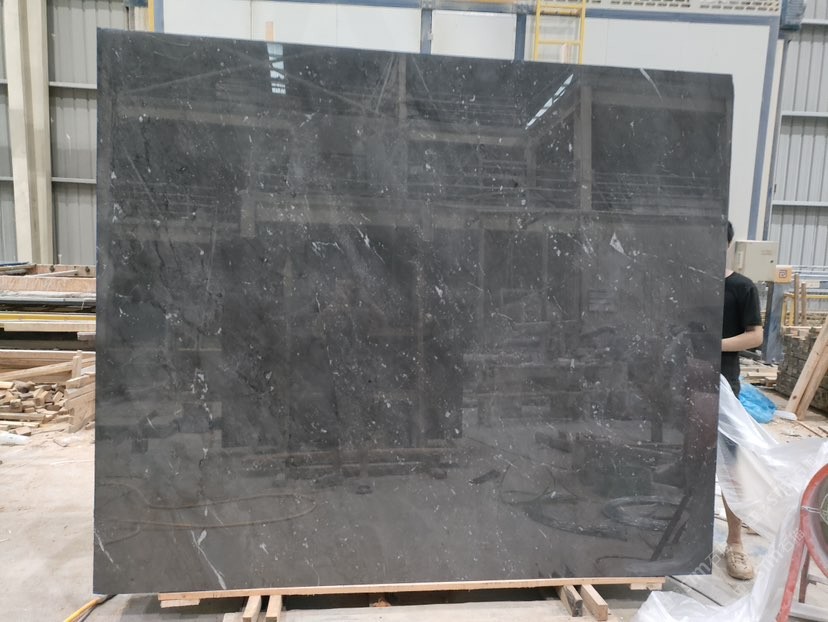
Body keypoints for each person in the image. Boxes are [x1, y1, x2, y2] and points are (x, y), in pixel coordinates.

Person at [720, 220, 763, 580]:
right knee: (685, 465)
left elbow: (755, 336)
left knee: (731, 467)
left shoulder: (741, 287)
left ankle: (735, 543)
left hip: (723, 387)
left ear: (726, 244)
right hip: (682, 384)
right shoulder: (687, 284)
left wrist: (715, 345)